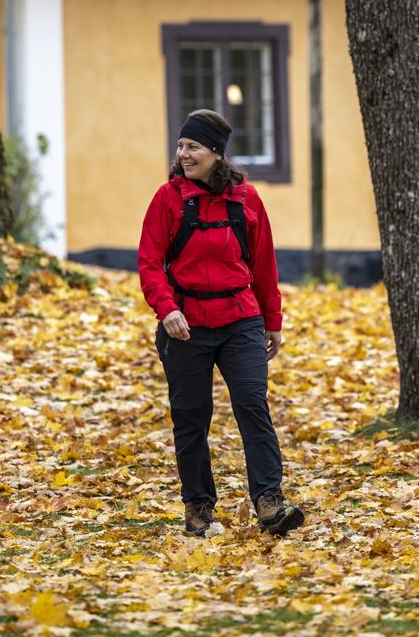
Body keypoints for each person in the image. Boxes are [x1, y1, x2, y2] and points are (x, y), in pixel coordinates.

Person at [138, 109, 304, 537]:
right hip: (186, 324)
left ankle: (270, 502)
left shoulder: (246, 200)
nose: (183, 154)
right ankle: (198, 508)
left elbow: (264, 263)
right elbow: (150, 262)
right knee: (192, 417)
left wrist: (273, 320)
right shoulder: (168, 199)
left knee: (253, 404)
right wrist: (167, 308)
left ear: (215, 152)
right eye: (181, 146)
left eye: (193, 146)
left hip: (240, 320)